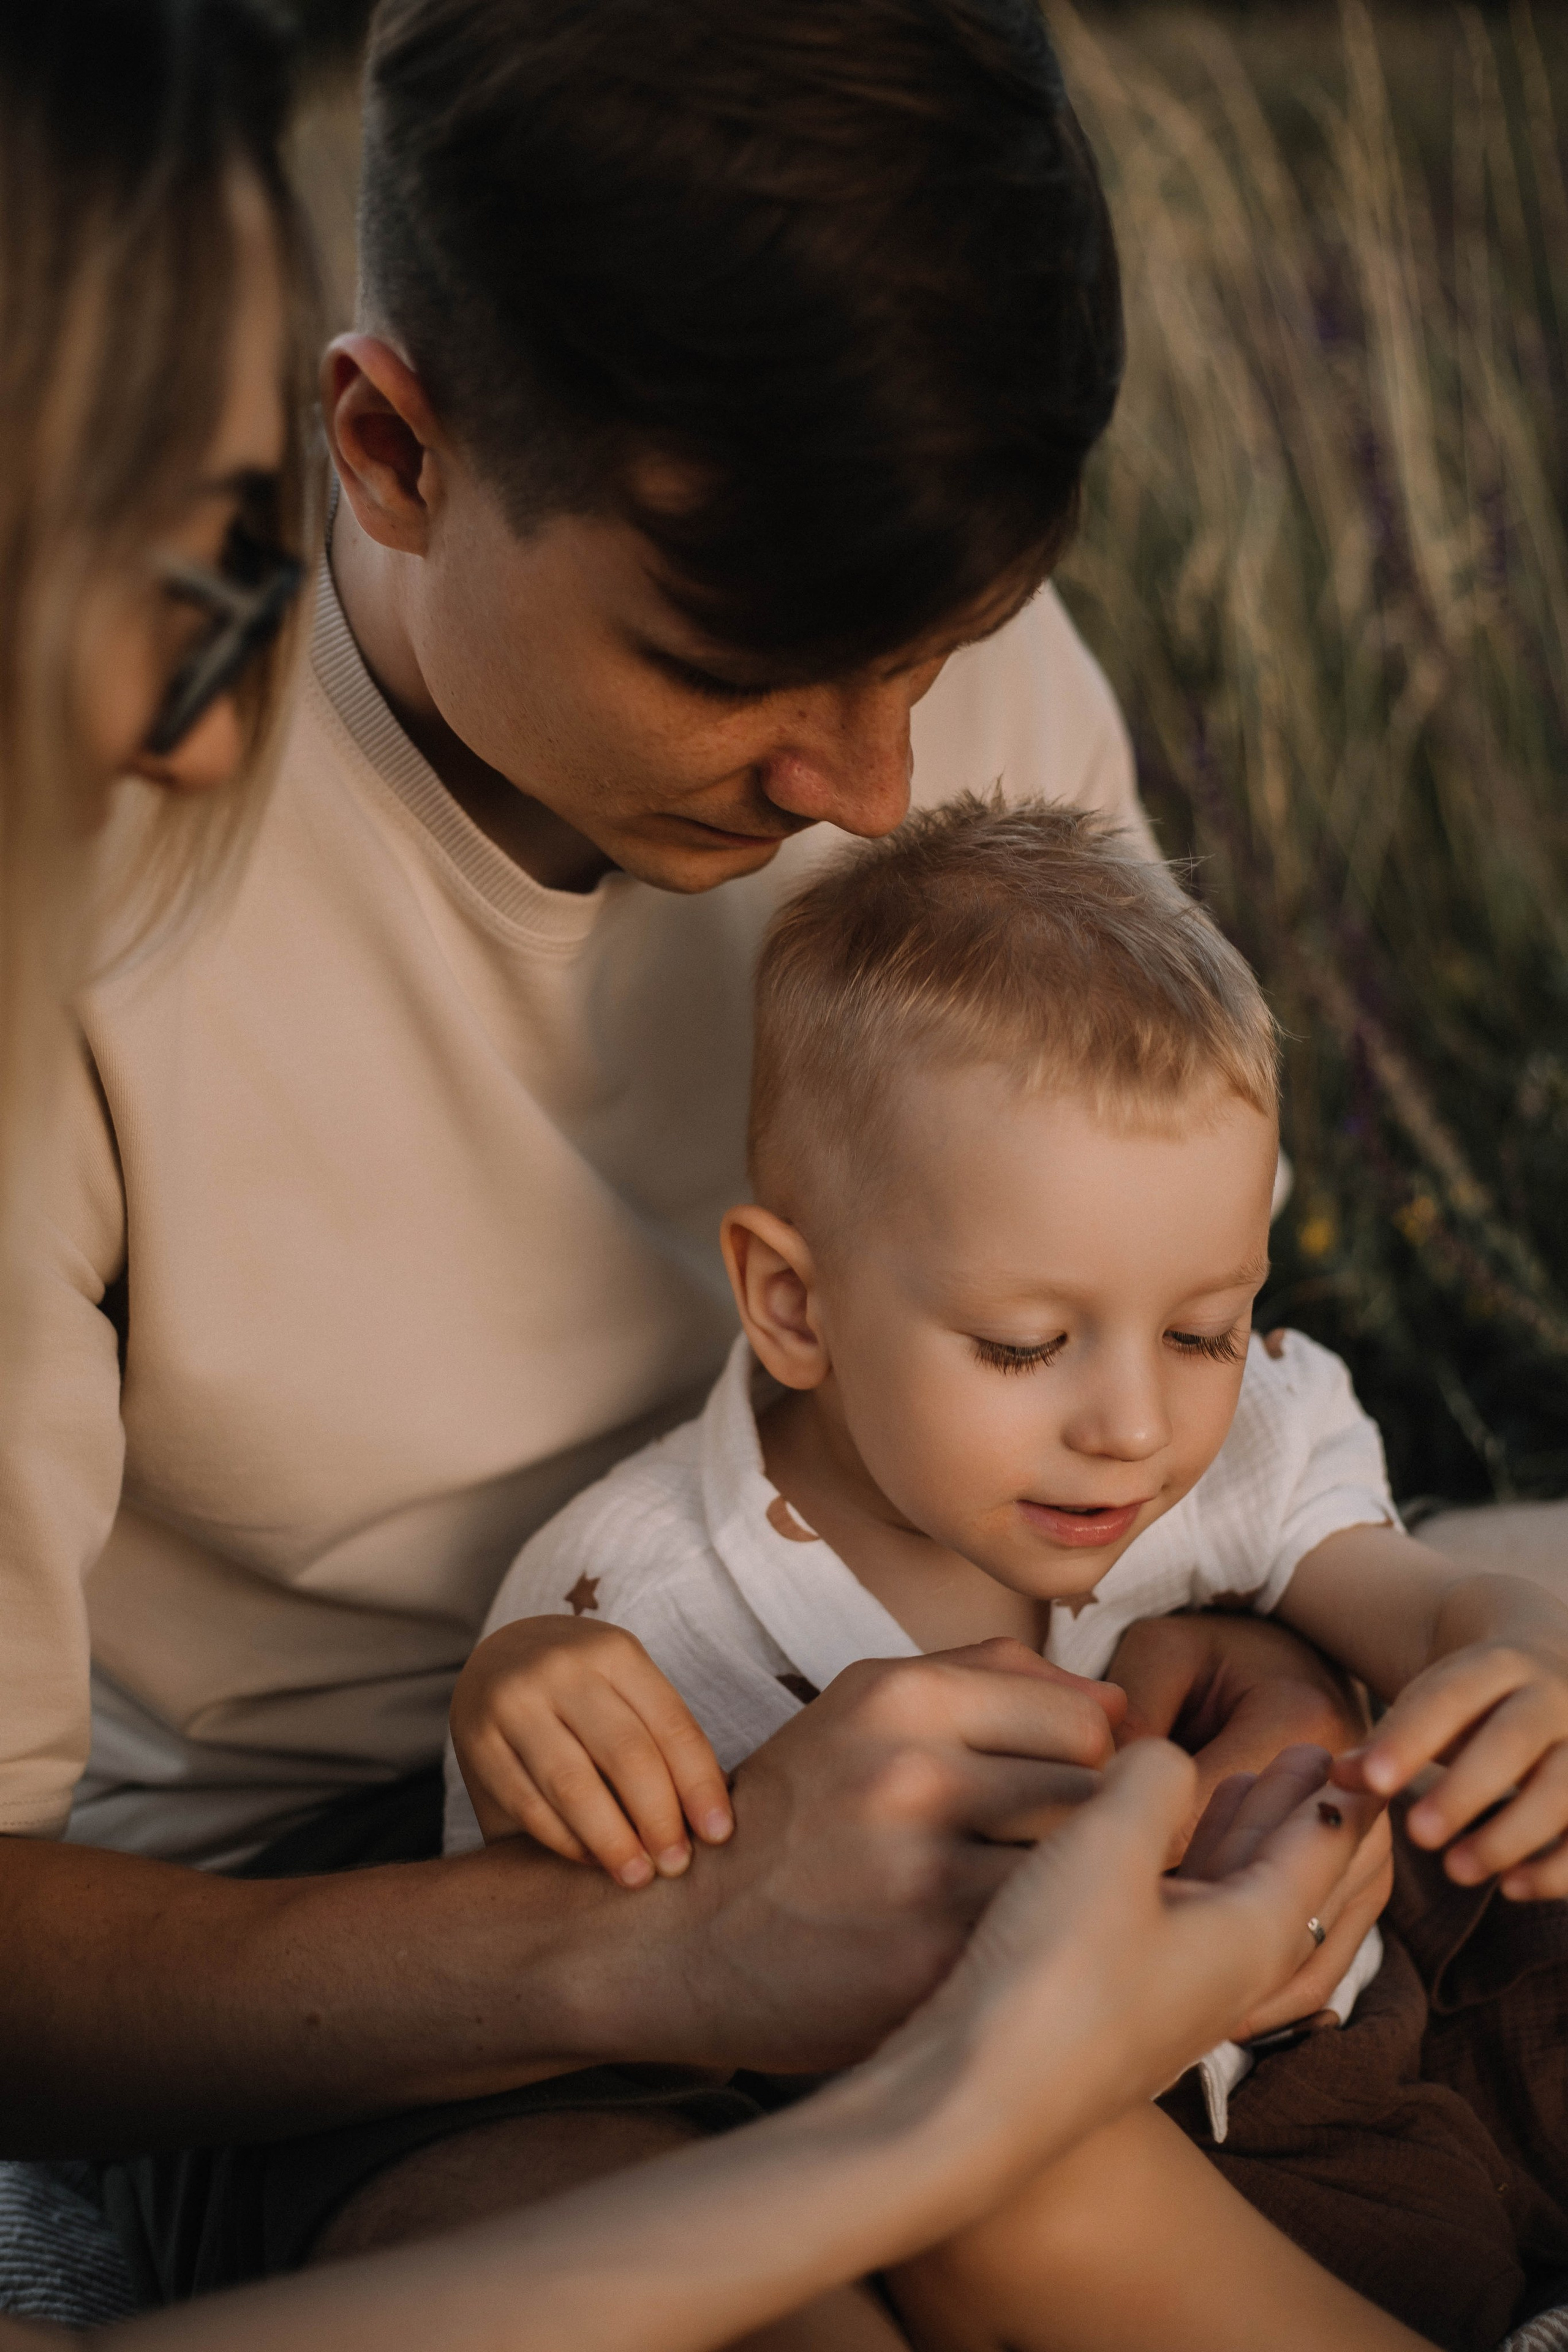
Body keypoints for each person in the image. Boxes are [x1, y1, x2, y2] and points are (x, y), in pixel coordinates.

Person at [0, 7, 1421, 2349]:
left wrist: (1254, 1665)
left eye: (940, 649)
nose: (879, 783)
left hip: (1014, 1702)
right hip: (377, 1932)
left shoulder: (944, 680)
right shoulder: (95, 832)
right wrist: (653, 1943)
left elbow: (1155, 1324)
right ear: (392, 445)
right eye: (743, 665)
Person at [447, 799, 1568, 2350]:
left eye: (1201, 1328)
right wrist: (527, 1721)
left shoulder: (1217, 1440)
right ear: (792, 1303)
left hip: (1415, 1982)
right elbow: (557, 1966)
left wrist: (1512, 1645)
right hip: (1207, 2175)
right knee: (1012, 2208)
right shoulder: (642, 1603)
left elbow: (1422, 1598)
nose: (1132, 1426)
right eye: (1024, 1345)